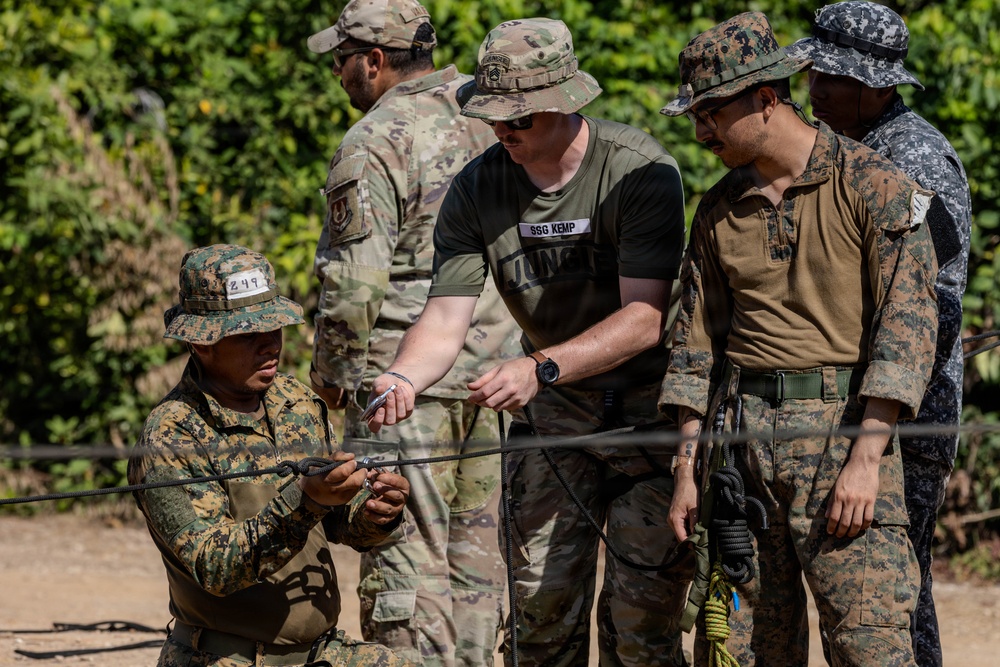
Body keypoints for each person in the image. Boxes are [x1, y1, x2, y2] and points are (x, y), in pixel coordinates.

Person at [363, 16, 690, 667]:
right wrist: (402, 375)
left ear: (562, 104)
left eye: (519, 119)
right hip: (554, 425)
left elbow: (645, 318)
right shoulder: (478, 187)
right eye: (493, 118)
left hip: (651, 419)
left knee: (642, 627)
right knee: (540, 620)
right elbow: (445, 317)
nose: (502, 132)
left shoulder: (639, 172)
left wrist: (538, 366)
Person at [659, 11, 939, 666]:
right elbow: (695, 342)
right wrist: (685, 469)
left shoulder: (875, 186)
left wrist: (867, 459)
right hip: (738, 454)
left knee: (869, 645)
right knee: (737, 648)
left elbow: (909, 324)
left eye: (710, 114)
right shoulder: (718, 209)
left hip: (843, 443)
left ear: (765, 100)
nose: (701, 133)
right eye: (695, 116)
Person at [306, 1, 521, 665]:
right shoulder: (494, 115)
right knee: (477, 570)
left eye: (342, 60)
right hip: (493, 379)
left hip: (404, 387)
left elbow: (354, 288)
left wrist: (332, 382)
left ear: (373, 61)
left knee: (404, 566)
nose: (338, 73)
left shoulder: (374, 139)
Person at [784, 5, 973, 664]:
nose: (813, 90)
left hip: (904, 418)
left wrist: (879, 418)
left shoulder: (914, 156)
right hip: (852, 406)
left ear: (872, 84)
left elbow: (935, 311)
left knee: (894, 595)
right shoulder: (845, 147)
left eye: (830, 78)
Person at [127, 244, 413, 667]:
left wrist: (376, 512)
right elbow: (214, 567)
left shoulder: (296, 400)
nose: (269, 346)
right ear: (200, 343)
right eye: (247, 335)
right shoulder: (172, 433)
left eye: (274, 328)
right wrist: (307, 499)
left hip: (321, 653)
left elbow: (341, 523)